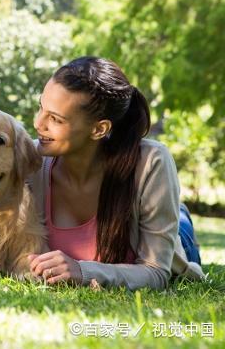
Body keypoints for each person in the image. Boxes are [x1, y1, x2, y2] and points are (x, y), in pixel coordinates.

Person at [27, 56, 205, 290]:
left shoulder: (151, 161)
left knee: (179, 225)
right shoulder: (30, 161)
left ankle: (180, 214)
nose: (39, 124)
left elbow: (156, 272)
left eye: (56, 119)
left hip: (172, 244)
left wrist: (82, 271)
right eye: (41, 107)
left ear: (99, 129)